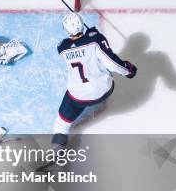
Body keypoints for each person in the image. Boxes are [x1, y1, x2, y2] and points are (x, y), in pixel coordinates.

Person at [52, 12, 137, 146]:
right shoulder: (95, 40)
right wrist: (128, 70)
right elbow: (112, 63)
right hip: (104, 91)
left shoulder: (62, 48)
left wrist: (90, 36)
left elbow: (74, 45)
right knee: (99, 63)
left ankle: (57, 152)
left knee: (61, 124)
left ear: (66, 29)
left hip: (78, 97)